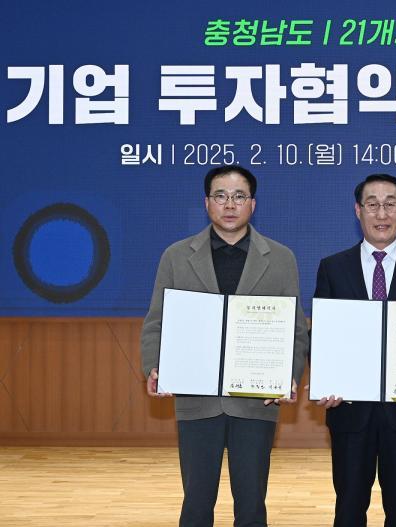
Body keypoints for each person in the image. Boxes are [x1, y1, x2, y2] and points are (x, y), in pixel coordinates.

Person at [140, 165, 309, 527]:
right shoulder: (176, 256)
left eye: (239, 196)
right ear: (207, 203)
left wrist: (289, 375)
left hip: (256, 399)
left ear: (253, 204)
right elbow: (157, 321)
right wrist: (154, 366)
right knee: (196, 503)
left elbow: (296, 329)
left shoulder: (281, 258)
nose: (229, 204)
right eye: (221, 196)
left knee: (251, 505)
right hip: (196, 398)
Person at [314, 174, 396, 527]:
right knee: (348, 508)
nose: (381, 213)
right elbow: (323, 335)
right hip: (349, 410)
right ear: (358, 210)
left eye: (390, 204)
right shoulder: (333, 267)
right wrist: (325, 379)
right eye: (372, 204)